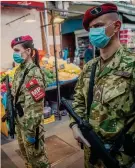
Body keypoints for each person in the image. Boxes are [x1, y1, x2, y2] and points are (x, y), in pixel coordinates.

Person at [70, 3, 135, 168]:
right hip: (91, 153)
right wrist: (74, 125)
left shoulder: (132, 65)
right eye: (91, 28)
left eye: (98, 26)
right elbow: (77, 98)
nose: (93, 32)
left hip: (121, 158)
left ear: (116, 26)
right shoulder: (89, 67)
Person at [11, 35, 50, 168]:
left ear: (28, 51)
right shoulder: (19, 71)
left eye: (17, 50)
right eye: (14, 51)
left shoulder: (33, 73)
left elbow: (35, 107)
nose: (14, 54)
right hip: (21, 123)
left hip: (30, 126)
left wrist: (31, 133)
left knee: (38, 160)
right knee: (27, 158)